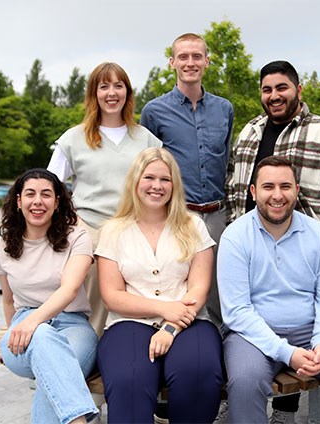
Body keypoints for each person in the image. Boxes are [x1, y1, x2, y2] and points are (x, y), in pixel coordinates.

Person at [224, 60, 320, 421]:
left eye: (282, 88)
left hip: (307, 252)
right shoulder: (250, 132)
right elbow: (234, 185)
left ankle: (285, 412)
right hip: (252, 246)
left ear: (298, 90)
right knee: (247, 371)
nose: (274, 96)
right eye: (267, 89)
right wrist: (235, 234)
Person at [218, 156, 320, 424]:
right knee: (245, 382)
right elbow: (237, 311)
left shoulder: (318, 234)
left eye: (285, 186)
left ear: (297, 190)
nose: (277, 195)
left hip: (310, 330)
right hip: (252, 335)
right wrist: (288, 353)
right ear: (253, 191)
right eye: (268, 187)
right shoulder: (235, 237)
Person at [95, 147, 224, 423]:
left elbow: (199, 289)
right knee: (128, 379)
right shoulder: (113, 231)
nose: (157, 186)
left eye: (165, 179)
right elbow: (112, 296)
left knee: (198, 371)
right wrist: (165, 308)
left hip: (190, 321)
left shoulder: (194, 225)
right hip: (128, 322)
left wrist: (171, 326)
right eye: (149, 178)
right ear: (135, 181)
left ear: (174, 184)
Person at [48, 62, 162, 336]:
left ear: (127, 92)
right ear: (94, 93)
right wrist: (71, 220)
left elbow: (162, 183)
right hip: (90, 229)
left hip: (134, 230)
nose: (112, 93)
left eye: (118, 85)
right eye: (104, 86)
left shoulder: (146, 139)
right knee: (92, 299)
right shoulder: (74, 138)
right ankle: (86, 352)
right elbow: (51, 185)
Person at [0, 168, 98, 424]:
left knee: (53, 371)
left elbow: (69, 290)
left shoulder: (77, 237)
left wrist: (32, 322)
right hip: (22, 329)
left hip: (73, 326)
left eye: (46, 194)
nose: (38, 201)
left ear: (58, 202)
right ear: (18, 201)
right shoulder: (0, 247)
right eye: (30, 194)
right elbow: (7, 299)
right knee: (48, 347)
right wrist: (12, 330)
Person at [140, 32, 234, 327]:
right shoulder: (154, 112)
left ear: (207, 61)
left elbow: (227, 160)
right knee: (177, 282)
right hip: (178, 214)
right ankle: (176, 342)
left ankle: (220, 348)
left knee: (219, 287)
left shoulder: (225, 109)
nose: (190, 62)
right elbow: (149, 168)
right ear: (172, 62)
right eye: (183, 56)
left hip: (218, 214)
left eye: (196, 56)